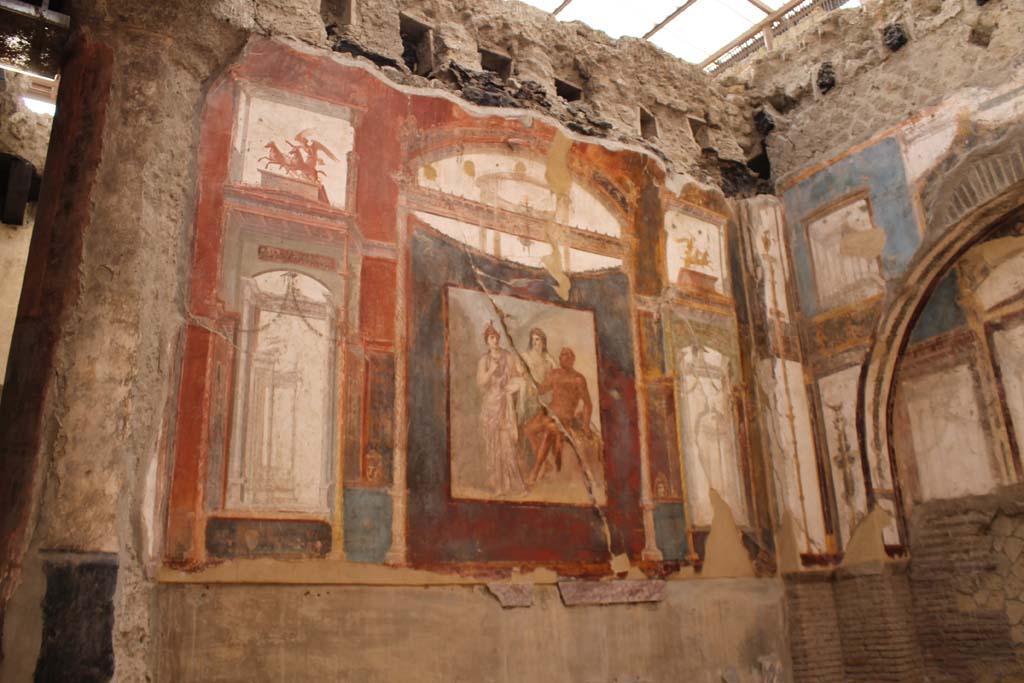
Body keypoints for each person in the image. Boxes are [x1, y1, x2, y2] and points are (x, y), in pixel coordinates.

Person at [524, 347, 593, 487]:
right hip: (548, 412)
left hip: (564, 418)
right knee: (528, 430)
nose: (565, 357)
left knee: (549, 431)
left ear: (573, 359)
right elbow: (541, 390)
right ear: (560, 358)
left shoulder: (578, 379)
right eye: (562, 355)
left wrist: (585, 425)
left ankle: (535, 471)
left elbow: (588, 404)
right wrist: (529, 377)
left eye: (569, 355)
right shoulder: (555, 374)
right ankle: (546, 463)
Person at [476, 322, 526, 495]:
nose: (495, 340)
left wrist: (520, 369)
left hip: (505, 405)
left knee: (507, 445)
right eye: (491, 338)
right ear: (487, 341)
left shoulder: (508, 356)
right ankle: (498, 486)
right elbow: (481, 382)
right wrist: (491, 371)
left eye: (496, 337)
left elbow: (519, 373)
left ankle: (514, 484)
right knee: (493, 447)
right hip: (491, 405)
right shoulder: (484, 360)